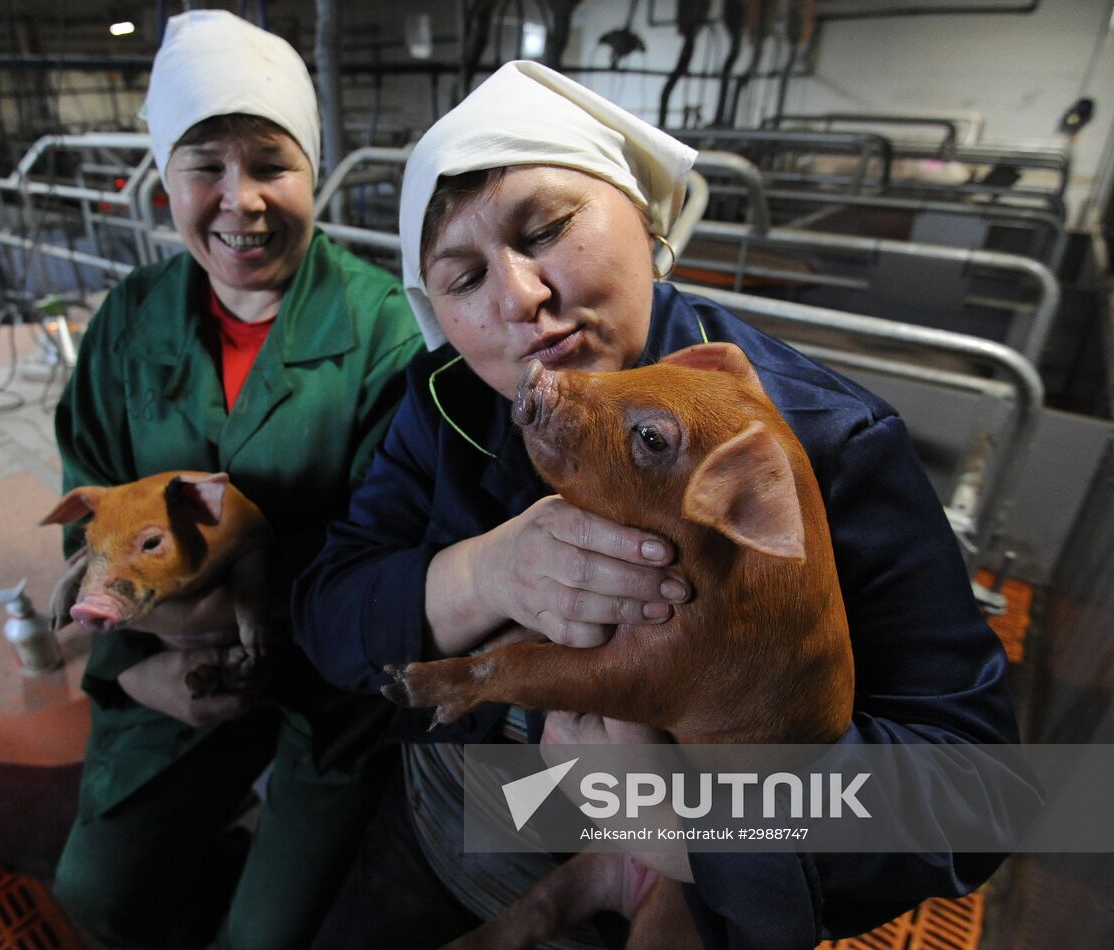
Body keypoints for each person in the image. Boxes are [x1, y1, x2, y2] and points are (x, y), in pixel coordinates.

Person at [293, 61, 1023, 948]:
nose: (520, 297)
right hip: (453, 811)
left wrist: (685, 828)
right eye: (461, 278)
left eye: (549, 227)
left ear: (645, 216)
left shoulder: (806, 444)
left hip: (707, 886)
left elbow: (978, 792)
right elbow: (328, 611)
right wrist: (480, 573)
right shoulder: (448, 402)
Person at [50, 11, 423, 949]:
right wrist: (146, 673)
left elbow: (392, 555)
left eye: (271, 163)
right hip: (165, 665)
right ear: (163, 179)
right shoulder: (130, 320)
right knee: (97, 892)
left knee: (267, 939)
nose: (239, 199)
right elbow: (85, 517)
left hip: (335, 684)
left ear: (314, 170)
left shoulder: (385, 329)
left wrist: (216, 616)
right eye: (204, 165)